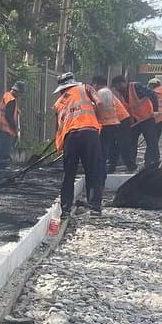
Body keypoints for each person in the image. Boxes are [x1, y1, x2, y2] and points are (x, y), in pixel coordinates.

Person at [53, 72, 103, 217]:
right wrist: (98, 121)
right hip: (89, 133)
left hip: (70, 137)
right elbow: (99, 103)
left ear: (62, 88)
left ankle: (66, 209)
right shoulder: (86, 88)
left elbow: (58, 128)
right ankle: (94, 208)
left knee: (69, 174)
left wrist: (60, 146)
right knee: (92, 171)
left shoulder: (58, 103)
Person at [111, 75, 160, 170]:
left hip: (147, 119)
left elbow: (153, 95)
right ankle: (132, 165)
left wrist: (155, 110)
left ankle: (154, 162)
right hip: (135, 123)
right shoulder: (121, 95)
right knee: (131, 143)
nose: (116, 89)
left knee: (151, 142)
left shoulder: (136, 86)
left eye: (117, 86)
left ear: (122, 83)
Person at [91, 75, 131, 182]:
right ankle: (113, 166)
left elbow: (101, 108)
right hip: (116, 121)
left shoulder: (102, 92)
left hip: (115, 121)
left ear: (96, 83)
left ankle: (128, 165)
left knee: (118, 145)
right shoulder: (105, 92)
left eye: (93, 85)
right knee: (114, 146)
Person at [0, 80, 25, 170]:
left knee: (1, 151)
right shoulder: (12, 100)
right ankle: (3, 171)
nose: (20, 95)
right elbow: (8, 116)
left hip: (0, 127)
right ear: (17, 91)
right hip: (6, 129)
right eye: (20, 93)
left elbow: (7, 110)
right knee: (5, 152)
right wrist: (15, 129)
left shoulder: (7, 95)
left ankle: (1, 168)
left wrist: (16, 111)